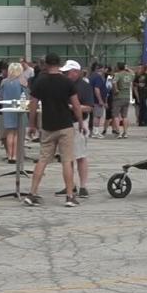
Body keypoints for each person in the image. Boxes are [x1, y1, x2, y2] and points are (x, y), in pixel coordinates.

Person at [24, 53, 87, 208]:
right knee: (67, 160)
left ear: (46, 64)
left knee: (43, 159)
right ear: (59, 64)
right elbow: (76, 105)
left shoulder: (40, 81)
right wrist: (80, 122)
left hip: (48, 125)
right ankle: (70, 196)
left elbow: (33, 104)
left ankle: (32, 193)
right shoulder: (66, 82)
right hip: (65, 124)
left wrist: (31, 124)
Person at [58, 60, 94, 198]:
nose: (65, 74)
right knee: (67, 157)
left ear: (76, 72)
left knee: (80, 155)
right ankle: (70, 185)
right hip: (64, 123)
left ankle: (83, 186)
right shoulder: (64, 85)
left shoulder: (84, 86)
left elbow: (89, 107)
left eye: (68, 72)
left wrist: (73, 107)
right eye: (64, 72)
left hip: (78, 122)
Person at [0, 62, 25, 164]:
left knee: (10, 133)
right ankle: (15, 155)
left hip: (7, 108)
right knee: (18, 133)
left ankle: (10, 155)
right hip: (19, 108)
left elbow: (0, 96)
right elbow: (26, 95)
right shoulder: (22, 81)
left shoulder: (4, 82)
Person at [111, 62, 135, 138]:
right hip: (127, 96)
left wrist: (116, 89)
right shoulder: (129, 75)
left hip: (119, 96)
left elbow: (114, 82)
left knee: (116, 115)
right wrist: (127, 69)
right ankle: (125, 132)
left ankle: (118, 132)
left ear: (118, 67)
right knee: (125, 116)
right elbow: (134, 74)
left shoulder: (118, 74)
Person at [89, 64, 108, 139]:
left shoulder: (92, 76)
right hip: (97, 100)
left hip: (92, 99)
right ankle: (95, 132)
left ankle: (93, 131)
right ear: (101, 69)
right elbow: (97, 89)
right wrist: (100, 100)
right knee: (97, 116)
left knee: (94, 116)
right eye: (104, 68)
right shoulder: (98, 77)